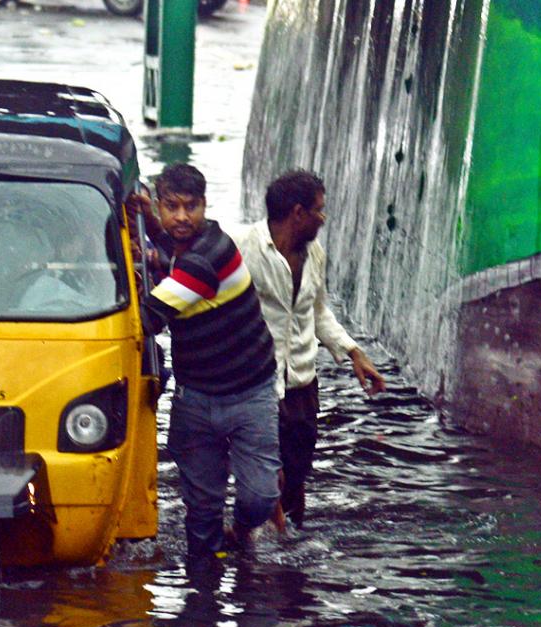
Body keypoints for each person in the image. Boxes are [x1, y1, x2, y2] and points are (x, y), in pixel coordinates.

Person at [129, 163, 281, 563]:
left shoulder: (209, 255)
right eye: (171, 207)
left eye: (191, 207)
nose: (182, 217)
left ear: (205, 206)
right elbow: (168, 253)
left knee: (259, 497)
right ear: (159, 206)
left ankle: (244, 531)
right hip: (195, 397)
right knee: (201, 511)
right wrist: (146, 228)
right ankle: (203, 595)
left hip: (250, 393)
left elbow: (145, 318)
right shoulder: (179, 249)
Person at [237, 169, 386, 528]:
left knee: (297, 474)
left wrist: (354, 353)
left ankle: (285, 545)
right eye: (319, 211)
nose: (323, 219)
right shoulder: (244, 247)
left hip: (303, 384)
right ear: (297, 213)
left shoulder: (314, 253)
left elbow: (317, 311)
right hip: (257, 382)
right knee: (266, 475)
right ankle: (254, 545)